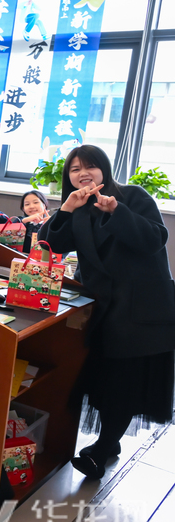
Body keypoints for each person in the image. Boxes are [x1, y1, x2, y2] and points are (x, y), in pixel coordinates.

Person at [43, 145, 175, 479]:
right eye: (74, 170)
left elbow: (156, 238)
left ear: (104, 169)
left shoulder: (132, 195)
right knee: (103, 380)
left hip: (141, 308)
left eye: (89, 166)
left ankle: (102, 448)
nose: (82, 173)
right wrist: (66, 210)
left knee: (124, 384)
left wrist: (118, 212)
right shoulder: (80, 207)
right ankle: (109, 443)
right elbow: (50, 244)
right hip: (103, 307)